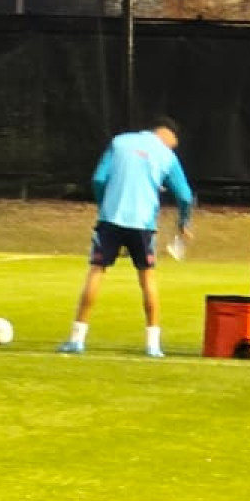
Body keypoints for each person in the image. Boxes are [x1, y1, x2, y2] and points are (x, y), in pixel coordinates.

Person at [59, 118, 195, 358]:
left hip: (110, 220)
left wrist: (104, 206)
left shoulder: (119, 142)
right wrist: (183, 223)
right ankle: (153, 344)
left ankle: (76, 339)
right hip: (142, 224)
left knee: (96, 271)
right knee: (147, 279)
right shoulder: (166, 155)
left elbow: (99, 179)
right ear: (169, 136)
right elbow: (184, 196)